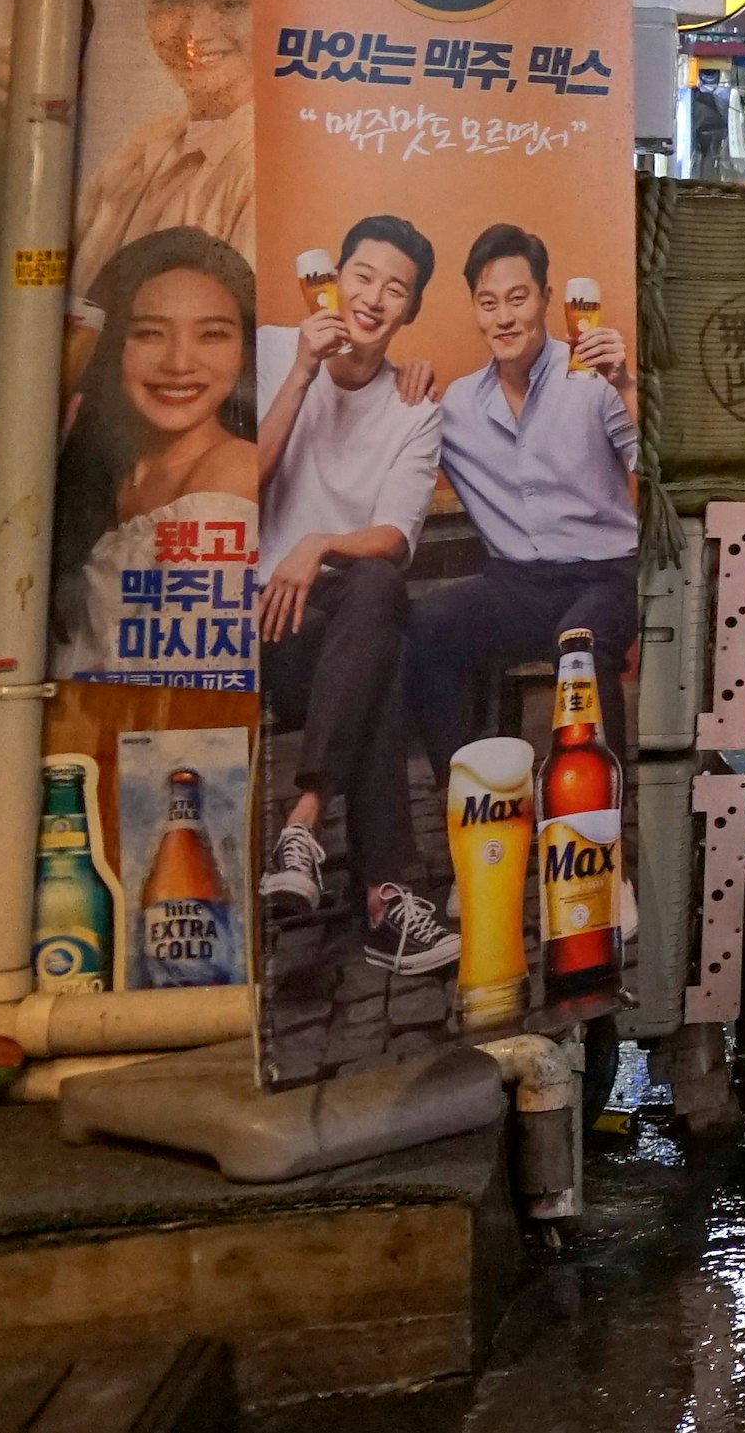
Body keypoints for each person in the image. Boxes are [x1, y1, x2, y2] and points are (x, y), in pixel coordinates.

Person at [243, 216, 451, 975]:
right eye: (362, 276)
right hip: (259, 628)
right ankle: (386, 896)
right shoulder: (269, 352)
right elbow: (240, 485)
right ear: (333, 275)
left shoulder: (414, 405)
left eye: (395, 289)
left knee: (375, 590)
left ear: (411, 310)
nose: (372, 298)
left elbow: (394, 537)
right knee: (383, 644)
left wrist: (319, 543)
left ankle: (303, 821)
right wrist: (301, 371)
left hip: (341, 631)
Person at [408, 224, 639, 786]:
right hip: (515, 585)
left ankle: (603, 836)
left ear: (545, 299)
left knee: (579, 645)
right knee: (429, 624)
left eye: (518, 299)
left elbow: (658, 472)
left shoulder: (592, 380)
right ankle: (468, 799)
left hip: (604, 579)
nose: (504, 318)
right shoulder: (459, 403)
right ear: (474, 309)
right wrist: (401, 383)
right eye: (489, 304)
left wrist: (627, 385)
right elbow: (394, 449)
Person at [52, 230, 262, 686]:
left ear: (244, 351)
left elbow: (186, 677)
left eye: (212, 334)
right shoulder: (94, 468)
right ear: (109, 346)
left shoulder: (233, 470)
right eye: (149, 333)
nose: (179, 362)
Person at [70, 0, 256, 284]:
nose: (193, 35)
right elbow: (27, 309)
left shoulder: (268, 166)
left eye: (230, 5)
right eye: (169, 3)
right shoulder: (141, 149)